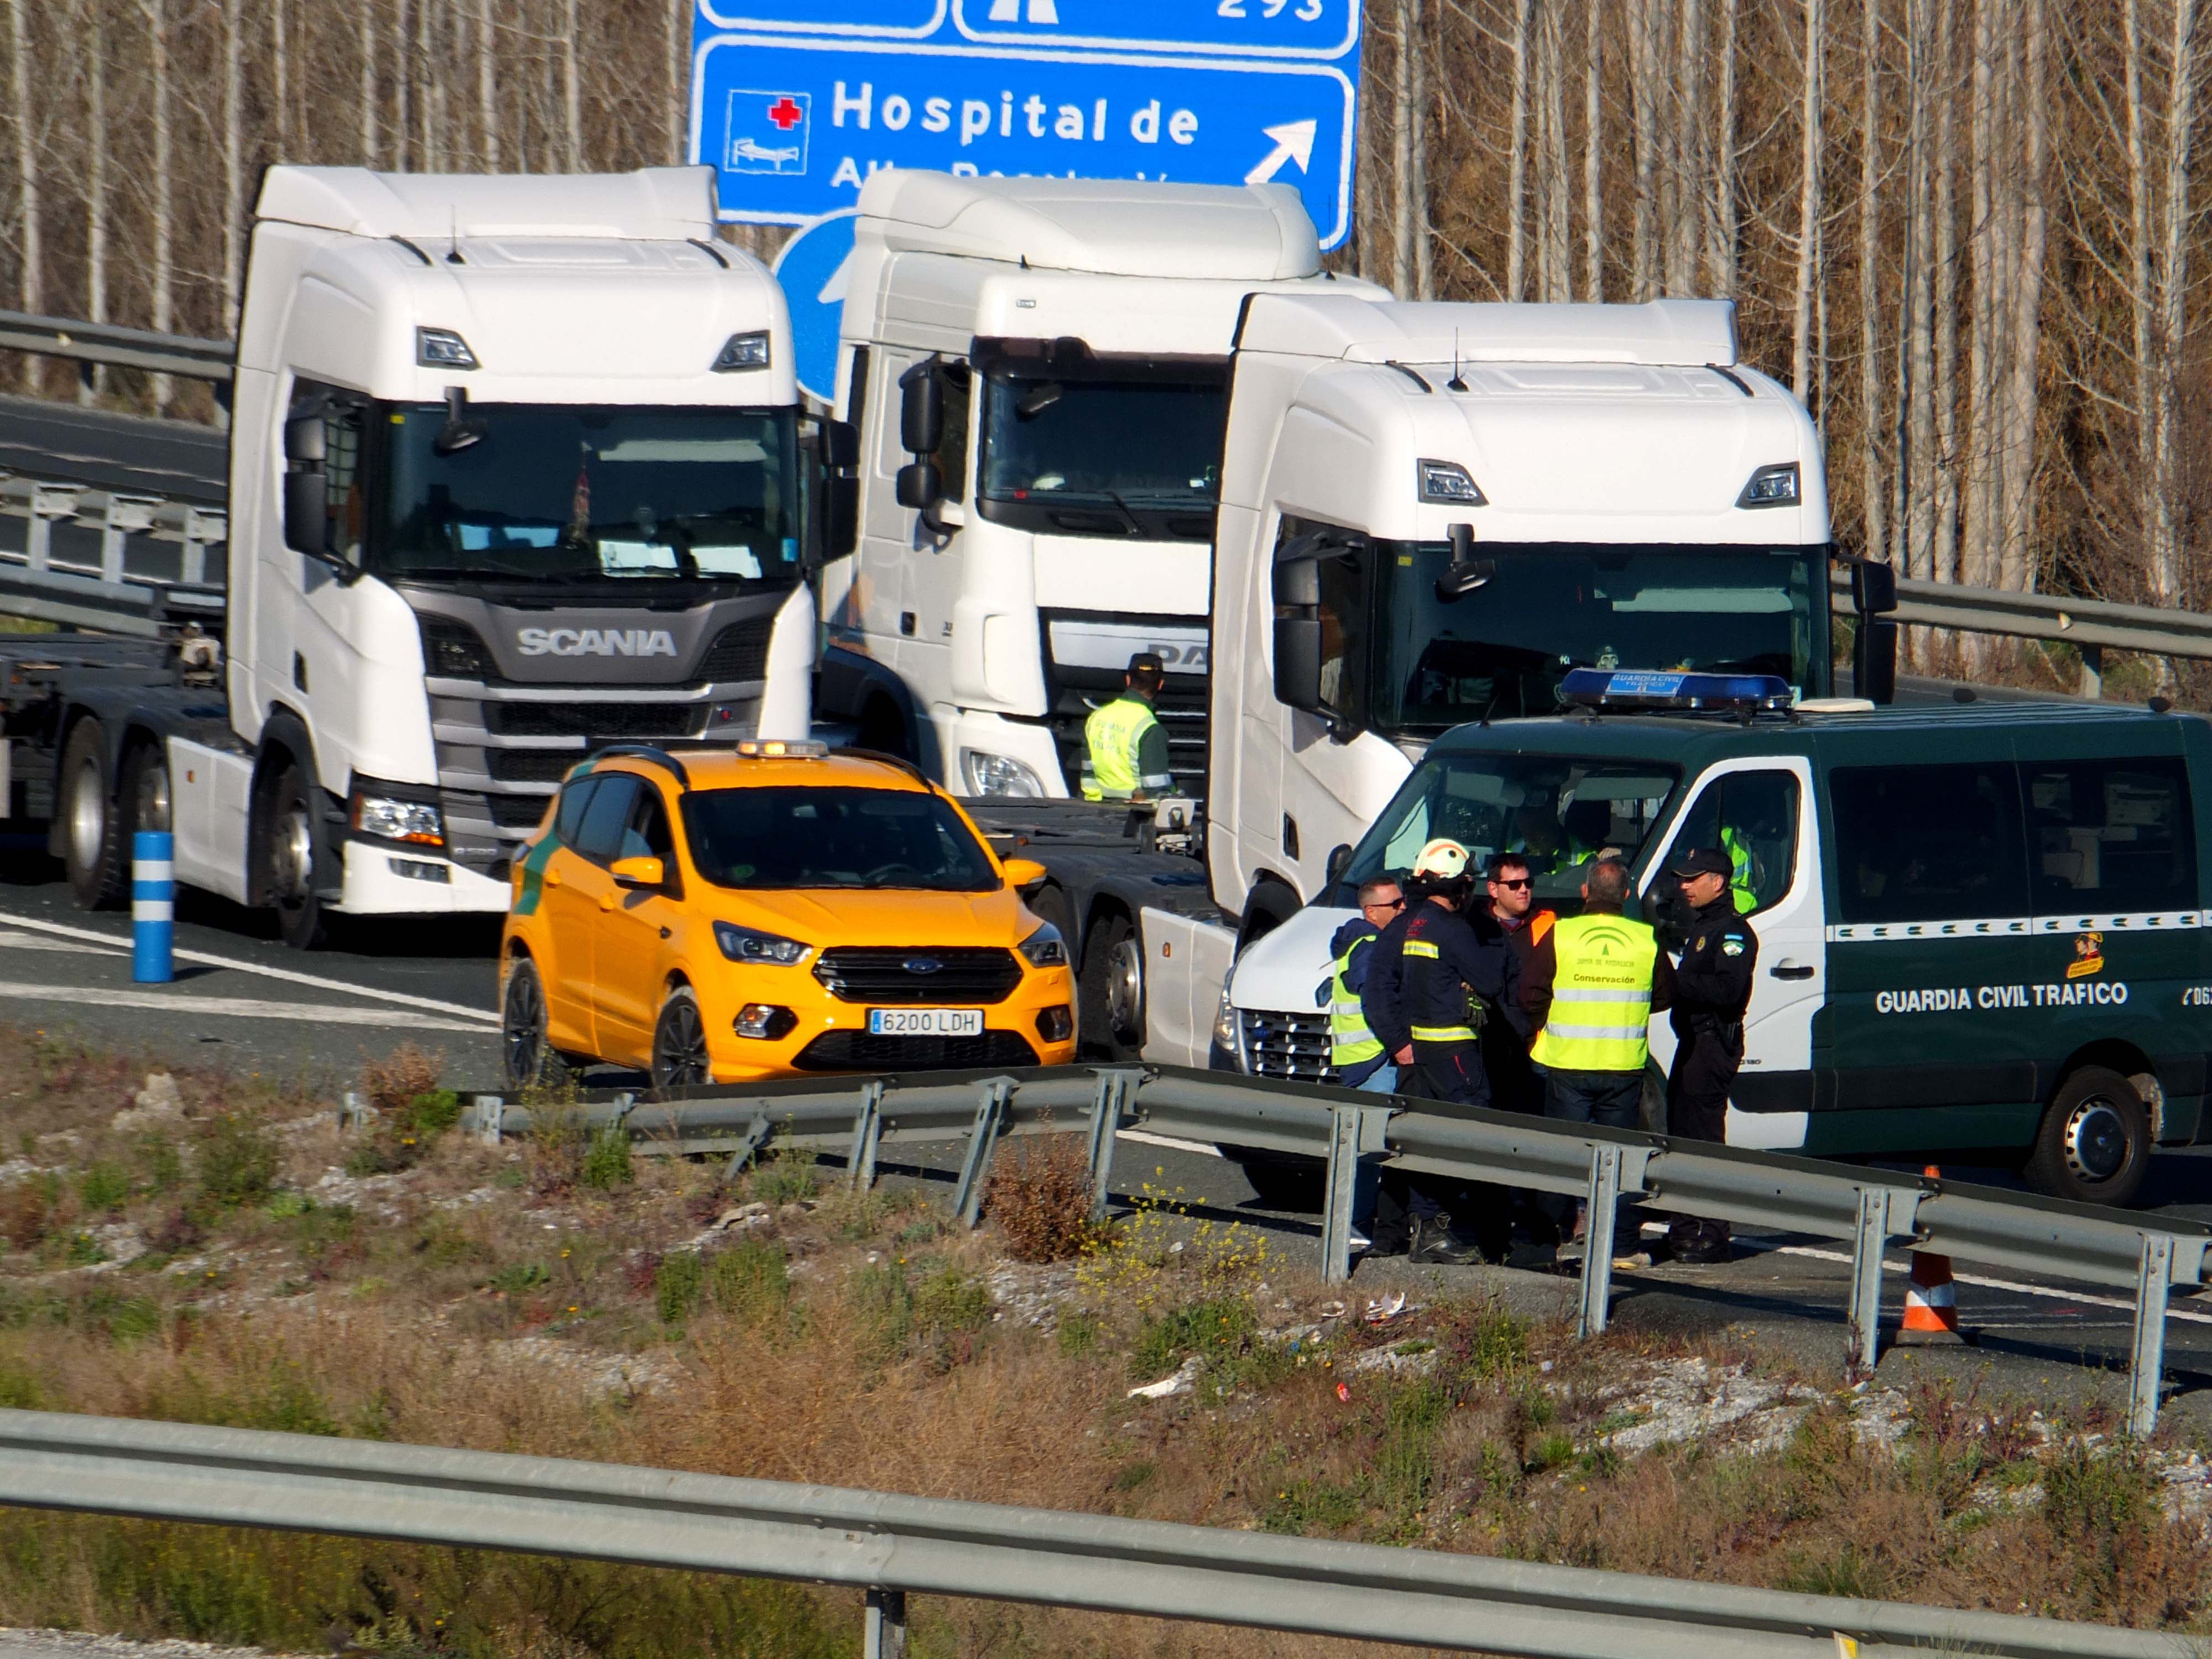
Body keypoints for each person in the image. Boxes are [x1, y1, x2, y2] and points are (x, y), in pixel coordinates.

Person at [1521, 855, 1674, 1267]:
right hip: (1622, 1064)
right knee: (1620, 1159)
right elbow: (1663, 995)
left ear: (1585, 892)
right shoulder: (1645, 939)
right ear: (1625, 896)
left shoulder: (1563, 934)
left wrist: (1549, 1020)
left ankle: (1545, 1246)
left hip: (1568, 1063)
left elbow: (1530, 994)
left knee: (1563, 1155)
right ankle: (1620, 1246)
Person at [1392, 838, 1525, 1262]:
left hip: (1426, 1052)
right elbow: (1489, 981)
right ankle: (1479, 1235)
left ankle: (1430, 1228)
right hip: (1455, 1054)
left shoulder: (1417, 923)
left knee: (1429, 1139)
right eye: (1468, 883)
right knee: (1474, 1137)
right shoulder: (1452, 929)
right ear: (1457, 887)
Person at [1664, 846, 1758, 1264]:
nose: (1684, 886)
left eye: (1692, 878)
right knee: (1682, 1137)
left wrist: (1675, 984)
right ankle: (1684, 1228)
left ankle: (1714, 1233)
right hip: (1693, 1043)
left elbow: (1728, 991)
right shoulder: (1702, 928)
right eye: (1682, 879)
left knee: (1705, 1141)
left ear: (1717, 882)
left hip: (1713, 1044)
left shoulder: (1733, 932)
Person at [1321, 875, 1406, 1094]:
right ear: (1371, 912)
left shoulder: (1363, 944)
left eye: (1403, 900)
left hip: (1367, 1061)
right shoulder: (1370, 948)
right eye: (1395, 904)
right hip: (1375, 1061)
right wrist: (1400, 1045)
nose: (1403, 907)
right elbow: (1377, 1002)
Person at [1079, 653, 1174, 802]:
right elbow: (1157, 791)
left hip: (1100, 810)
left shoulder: (1096, 718)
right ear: (1161, 684)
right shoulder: (1149, 727)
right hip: (1135, 815)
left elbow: (1088, 775)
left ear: (1128, 679)